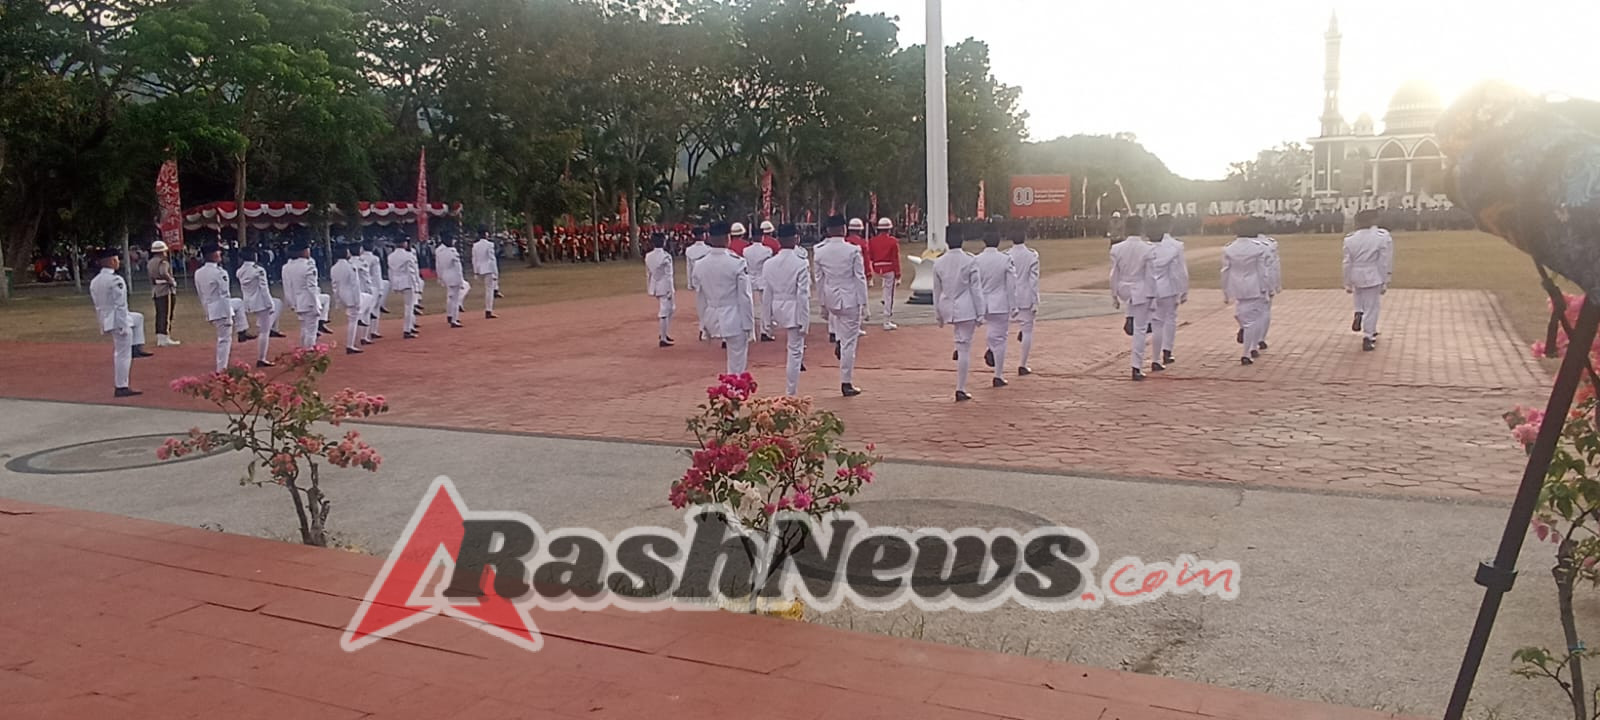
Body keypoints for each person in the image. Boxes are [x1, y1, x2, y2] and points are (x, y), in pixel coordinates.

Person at [812, 215, 867, 397]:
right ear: (844, 229)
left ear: (828, 230)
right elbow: (860, 278)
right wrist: (864, 303)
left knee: (841, 329)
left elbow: (819, 280)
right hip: (850, 299)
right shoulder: (853, 250)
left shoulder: (819, 251)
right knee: (850, 343)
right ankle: (846, 382)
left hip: (831, 298)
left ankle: (838, 339)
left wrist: (822, 303)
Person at [691, 222, 754, 373]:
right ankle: (734, 387)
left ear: (709, 238)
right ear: (727, 238)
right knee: (737, 363)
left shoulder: (699, 264)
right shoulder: (737, 263)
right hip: (734, 317)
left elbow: (700, 297)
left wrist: (703, 323)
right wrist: (749, 325)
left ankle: (729, 386)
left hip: (711, 316)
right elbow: (745, 297)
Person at [934, 224, 985, 401]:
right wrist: (981, 312)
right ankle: (960, 388)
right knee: (965, 349)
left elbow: (936, 291)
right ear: (962, 240)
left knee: (961, 343)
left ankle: (957, 347)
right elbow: (976, 289)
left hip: (947, 307)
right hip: (966, 308)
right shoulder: (970, 261)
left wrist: (938, 314)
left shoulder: (938, 262)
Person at [91, 248, 152, 396]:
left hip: (106, 317)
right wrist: (123, 324)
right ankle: (121, 386)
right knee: (122, 354)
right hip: (117, 319)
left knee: (138, 318)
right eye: (117, 259)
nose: (119, 262)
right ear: (112, 261)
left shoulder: (95, 281)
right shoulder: (115, 280)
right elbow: (120, 305)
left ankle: (136, 347)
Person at [762, 224, 811, 395]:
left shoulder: (769, 263)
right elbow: (803, 295)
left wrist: (766, 321)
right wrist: (805, 321)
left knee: (794, 351)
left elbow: (767, 294)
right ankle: (791, 392)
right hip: (795, 309)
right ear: (796, 239)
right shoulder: (801, 263)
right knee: (795, 352)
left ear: (778, 240)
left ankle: (791, 392)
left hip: (777, 306)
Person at [1109, 216, 1157, 380]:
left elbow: (1114, 274)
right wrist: (1153, 297)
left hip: (1124, 288)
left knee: (1135, 316)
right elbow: (1150, 276)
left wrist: (1114, 295)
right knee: (1140, 329)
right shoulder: (1148, 249)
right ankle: (1136, 367)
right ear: (1141, 228)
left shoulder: (1117, 248)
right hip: (1140, 288)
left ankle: (1129, 316)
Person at [1222, 219, 1273, 365]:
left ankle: (1249, 348)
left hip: (1237, 286)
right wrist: (1266, 288)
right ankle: (1248, 349)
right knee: (1251, 319)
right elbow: (1263, 272)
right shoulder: (1259, 248)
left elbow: (1225, 271)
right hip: (1254, 285)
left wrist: (1225, 291)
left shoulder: (1229, 248)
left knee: (1245, 316)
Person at [1343, 209, 1392, 351]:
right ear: (1373, 221)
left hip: (1356, 272)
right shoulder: (1381, 236)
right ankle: (1368, 336)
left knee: (1359, 296)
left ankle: (1358, 311)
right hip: (1372, 273)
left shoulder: (1350, 239)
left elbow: (1347, 262)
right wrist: (1385, 279)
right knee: (1372, 307)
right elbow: (1384, 261)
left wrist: (1347, 281)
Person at [974, 224, 1017, 388]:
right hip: (1000, 303)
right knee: (1000, 339)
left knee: (994, 334)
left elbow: (974, 284)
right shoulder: (1005, 259)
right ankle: (998, 374)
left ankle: (991, 347)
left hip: (982, 302)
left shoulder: (976, 260)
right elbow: (1011, 284)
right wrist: (1014, 306)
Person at [1147, 214, 1189, 370]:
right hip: (1168, 287)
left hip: (1150, 288)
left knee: (1156, 322)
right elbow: (1180, 271)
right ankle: (1167, 350)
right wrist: (1183, 289)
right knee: (1170, 318)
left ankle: (1156, 357)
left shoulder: (1146, 246)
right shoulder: (1176, 246)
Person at [193, 244, 239, 372]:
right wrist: (228, 314)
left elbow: (201, 294)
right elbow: (225, 294)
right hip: (221, 309)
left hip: (210, 307)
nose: (220, 254)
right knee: (224, 340)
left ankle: (243, 329)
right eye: (218, 252)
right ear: (212, 255)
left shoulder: (199, 272)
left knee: (239, 303)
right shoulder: (220, 272)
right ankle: (221, 368)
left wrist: (207, 311)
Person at [237, 248, 280, 367]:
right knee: (264, 331)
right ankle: (262, 358)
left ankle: (272, 327)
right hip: (260, 301)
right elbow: (264, 288)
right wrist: (269, 304)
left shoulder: (240, 271)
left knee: (278, 302)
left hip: (248, 301)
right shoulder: (259, 270)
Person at [1007, 224, 1040, 376]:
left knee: (1001, 331)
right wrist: (1035, 300)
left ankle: (993, 352)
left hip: (1009, 296)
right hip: (1025, 296)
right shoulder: (1031, 255)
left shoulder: (1006, 255)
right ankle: (1023, 364)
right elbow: (1033, 280)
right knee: (1027, 331)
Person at [331, 244, 372, 354]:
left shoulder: (334, 268)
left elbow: (334, 286)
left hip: (342, 296)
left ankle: (360, 316)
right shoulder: (350, 267)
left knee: (368, 299)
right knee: (353, 321)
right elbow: (355, 285)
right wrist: (358, 301)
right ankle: (350, 345)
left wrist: (337, 301)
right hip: (352, 297)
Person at [281, 241, 323, 349]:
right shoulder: (309, 266)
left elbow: (287, 286)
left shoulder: (286, 267)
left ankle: (303, 350)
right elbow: (312, 287)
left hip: (297, 300)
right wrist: (316, 304)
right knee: (311, 331)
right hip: (309, 301)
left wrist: (292, 302)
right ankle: (309, 351)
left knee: (304, 328)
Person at [740, 227, 776, 342]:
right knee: (765, 307)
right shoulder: (767, 250)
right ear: (762, 237)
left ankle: (750, 334)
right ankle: (765, 331)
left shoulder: (746, 250)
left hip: (750, 278)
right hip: (762, 278)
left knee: (749, 306)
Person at [867, 218, 901, 331]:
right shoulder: (893, 241)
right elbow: (895, 259)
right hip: (889, 268)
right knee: (889, 294)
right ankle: (886, 320)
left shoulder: (872, 241)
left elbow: (871, 257)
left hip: (877, 267)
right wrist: (898, 274)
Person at [644, 232, 676, 347]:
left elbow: (648, 274)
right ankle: (663, 337)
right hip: (664, 286)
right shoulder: (666, 256)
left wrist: (650, 288)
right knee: (664, 310)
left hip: (655, 284)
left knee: (671, 308)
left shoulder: (648, 256)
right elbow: (669, 275)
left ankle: (664, 332)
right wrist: (670, 290)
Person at [147, 240, 181, 346]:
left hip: (156, 289)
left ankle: (160, 337)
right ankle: (165, 337)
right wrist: (172, 281)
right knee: (166, 313)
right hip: (165, 289)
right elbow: (164, 273)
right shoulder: (163, 262)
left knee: (160, 313)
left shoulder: (150, 262)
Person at [387, 237, 421, 339]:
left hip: (396, 281)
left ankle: (410, 326)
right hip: (407, 282)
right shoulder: (408, 255)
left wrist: (393, 284)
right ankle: (407, 329)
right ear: (404, 243)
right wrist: (417, 285)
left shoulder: (390, 256)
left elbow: (390, 271)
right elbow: (412, 271)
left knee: (408, 306)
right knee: (409, 307)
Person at [1254, 225, 1281, 351]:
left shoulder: (1237, 246)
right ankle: (1261, 339)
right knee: (1265, 310)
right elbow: (1275, 266)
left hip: (1248, 282)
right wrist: (1276, 284)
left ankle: (1248, 332)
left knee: (1249, 311)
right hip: (1266, 280)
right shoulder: (1270, 243)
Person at [684, 227, 712, 340]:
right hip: (708, 279)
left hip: (697, 280)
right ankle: (706, 328)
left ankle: (703, 328)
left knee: (701, 306)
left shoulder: (689, 250)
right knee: (710, 305)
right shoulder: (708, 249)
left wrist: (690, 283)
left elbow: (689, 268)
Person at [845, 218, 872, 325]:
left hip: (846, 274)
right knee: (859, 298)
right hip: (859, 273)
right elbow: (866, 260)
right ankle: (858, 323)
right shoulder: (862, 243)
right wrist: (869, 274)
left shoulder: (845, 242)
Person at [359, 240, 388, 340]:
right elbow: (377, 275)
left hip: (361, 287)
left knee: (365, 310)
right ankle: (372, 331)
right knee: (373, 309)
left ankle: (364, 334)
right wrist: (380, 289)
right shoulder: (375, 259)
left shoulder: (359, 259)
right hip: (374, 286)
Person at [435, 238, 466, 328]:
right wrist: (461, 280)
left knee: (450, 296)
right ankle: (454, 319)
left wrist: (440, 277)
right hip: (454, 276)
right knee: (455, 299)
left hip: (445, 275)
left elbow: (438, 266)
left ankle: (449, 315)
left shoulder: (440, 252)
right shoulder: (453, 252)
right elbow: (458, 268)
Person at [473, 231, 500, 319]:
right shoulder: (489, 244)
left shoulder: (475, 245)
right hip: (488, 269)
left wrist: (475, 271)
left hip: (480, 269)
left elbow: (474, 259)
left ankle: (489, 310)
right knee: (489, 290)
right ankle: (488, 310)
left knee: (487, 289)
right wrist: (495, 272)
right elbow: (492, 259)